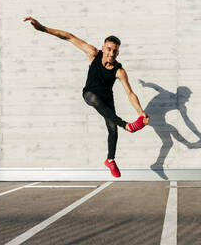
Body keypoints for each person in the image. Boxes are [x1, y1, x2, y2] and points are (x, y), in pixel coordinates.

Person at [24, 16, 149, 178]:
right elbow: (69, 37)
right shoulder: (93, 54)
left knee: (112, 130)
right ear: (103, 48)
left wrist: (141, 112)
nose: (112, 53)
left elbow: (130, 93)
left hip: (107, 99)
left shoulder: (119, 71)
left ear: (118, 52)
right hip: (90, 93)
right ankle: (127, 126)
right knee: (93, 99)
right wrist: (44, 29)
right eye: (109, 49)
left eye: (115, 50)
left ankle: (110, 160)